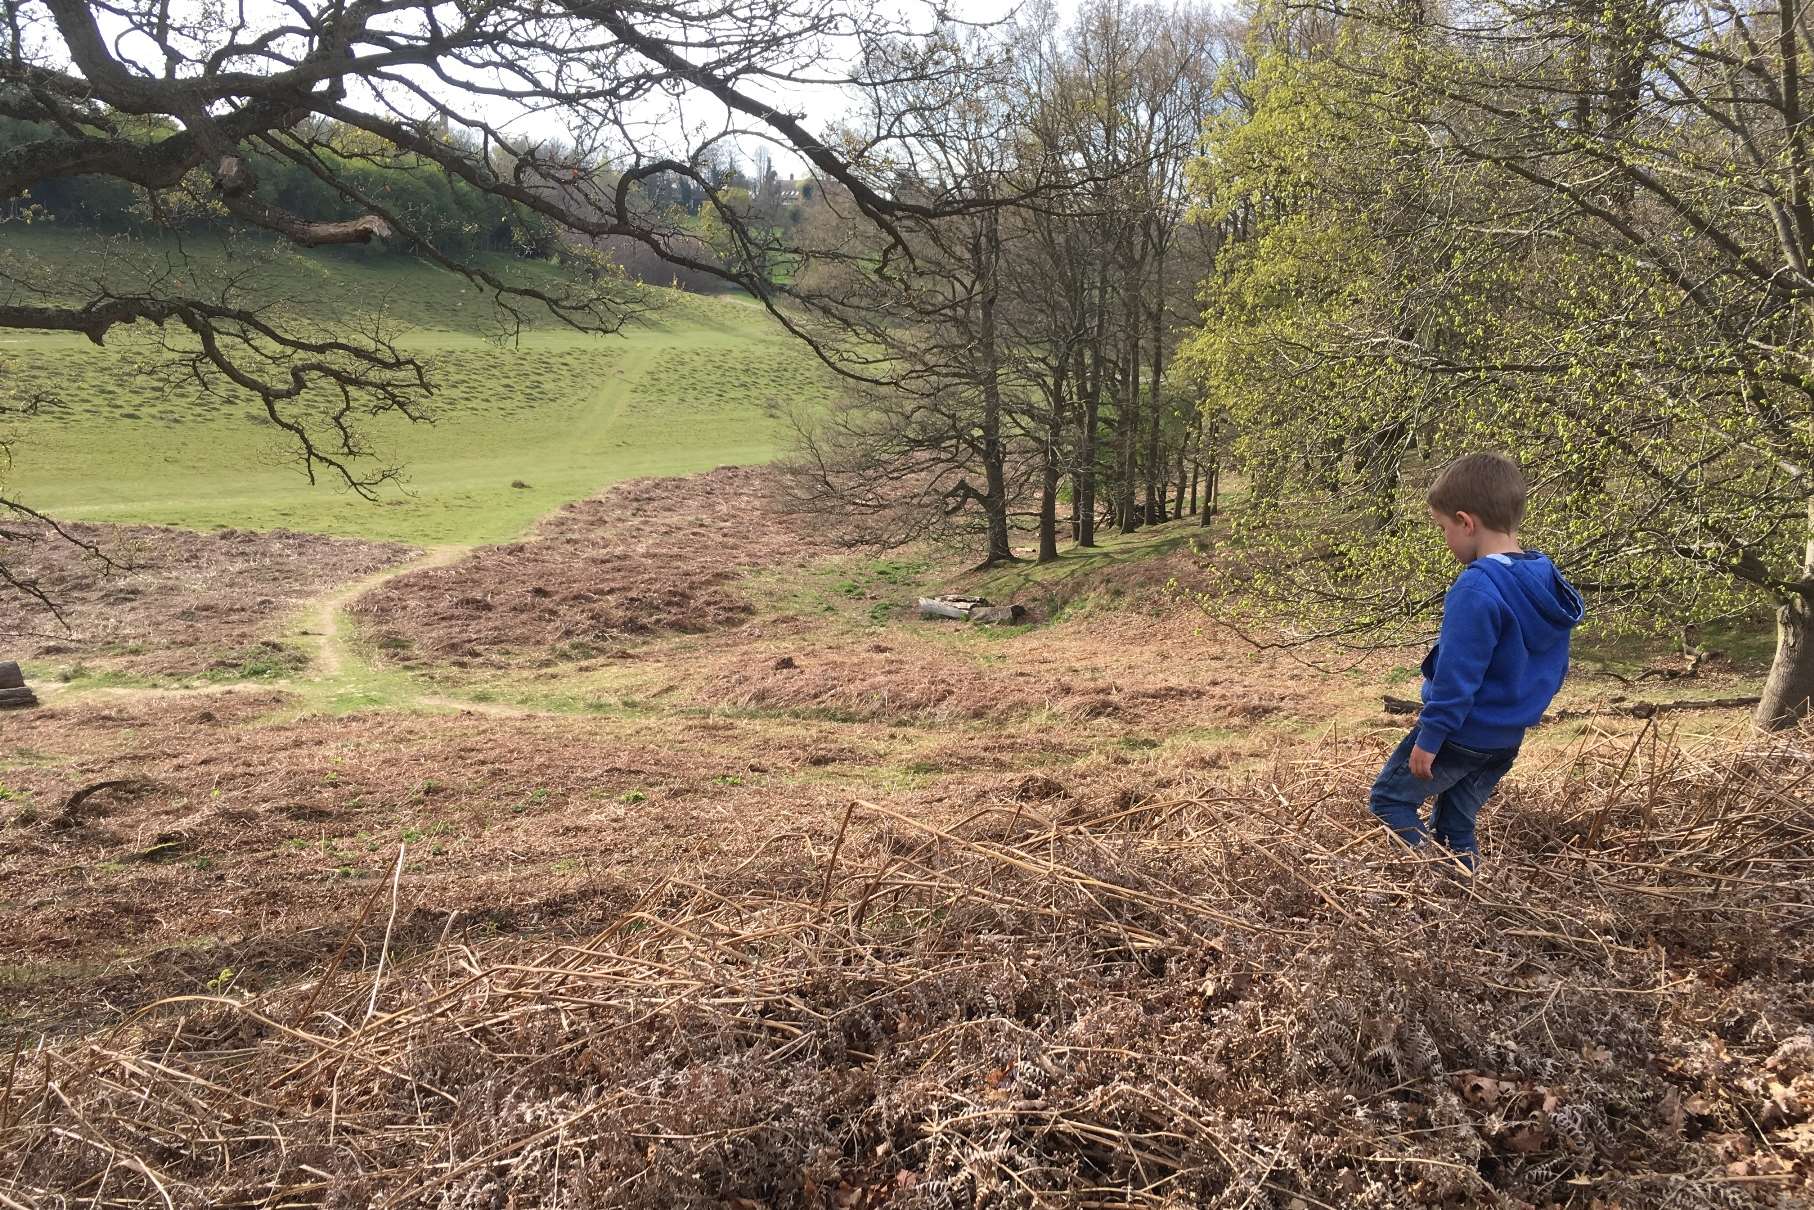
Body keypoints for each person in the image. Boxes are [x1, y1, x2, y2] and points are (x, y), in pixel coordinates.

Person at [1369, 453, 1584, 868]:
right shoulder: (1544, 578)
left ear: (1467, 522)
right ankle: (1466, 895)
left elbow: (1457, 675)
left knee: (1389, 800)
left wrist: (1431, 737)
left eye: (1444, 528)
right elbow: (1556, 668)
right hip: (1505, 739)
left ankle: (1428, 883)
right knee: (1455, 825)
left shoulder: (1478, 588)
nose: (1446, 538)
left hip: (1459, 735)